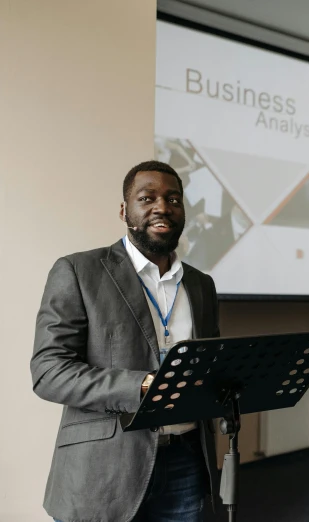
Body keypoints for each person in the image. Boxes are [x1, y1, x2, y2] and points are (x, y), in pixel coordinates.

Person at [30, 160, 220, 522]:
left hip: (187, 460)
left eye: (173, 199)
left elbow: (207, 360)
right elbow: (48, 371)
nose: (162, 207)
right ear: (124, 211)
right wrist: (144, 384)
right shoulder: (77, 271)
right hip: (104, 468)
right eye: (147, 198)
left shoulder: (201, 284)